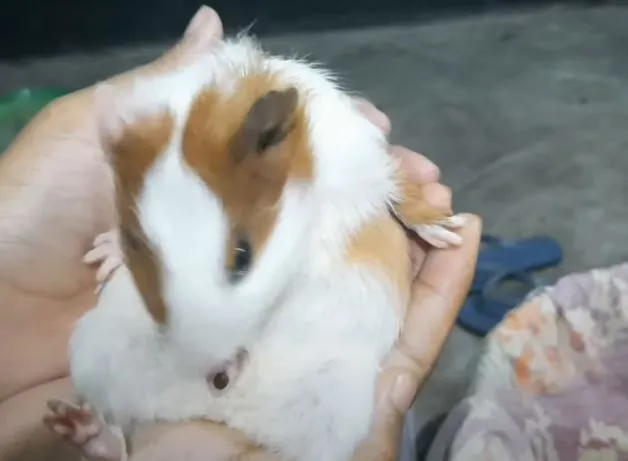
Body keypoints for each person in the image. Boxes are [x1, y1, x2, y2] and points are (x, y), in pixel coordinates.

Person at [0, 6, 481, 461]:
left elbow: (377, 172)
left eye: (240, 256)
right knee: (97, 351)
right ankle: (114, 439)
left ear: (276, 142)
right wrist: (133, 245)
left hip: (298, 361)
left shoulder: (318, 127)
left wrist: (412, 207)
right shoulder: (149, 127)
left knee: (339, 405)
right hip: (176, 360)